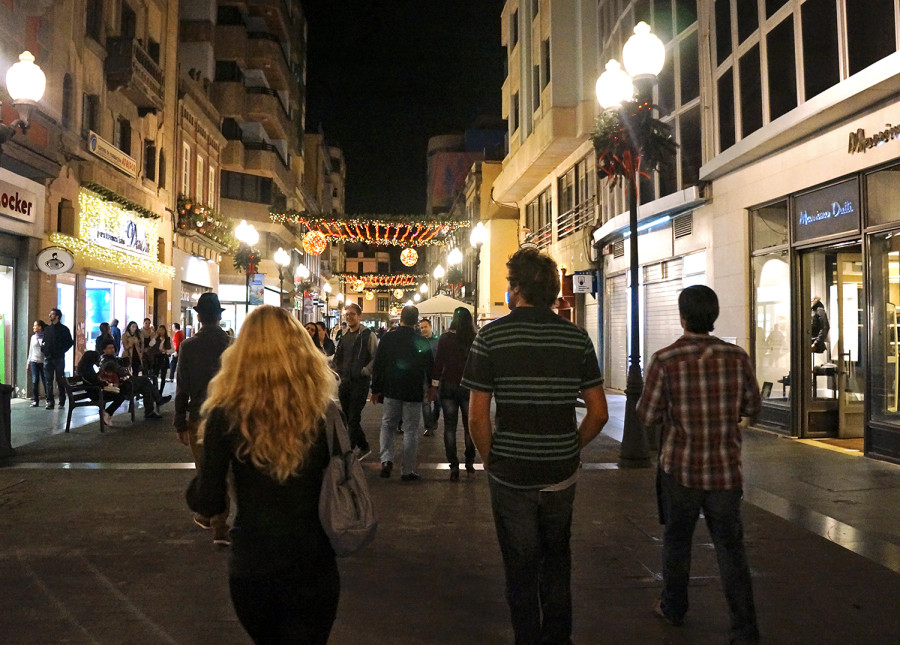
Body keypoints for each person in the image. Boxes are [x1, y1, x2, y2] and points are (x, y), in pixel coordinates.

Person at [461, 247, 608, 645]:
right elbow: (598, 413)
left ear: (517, 288)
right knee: (557, 559)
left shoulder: (491, 337)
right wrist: (570, 447)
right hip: (561, 471)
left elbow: (477, 417)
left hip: (511, 472)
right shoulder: (576, 338)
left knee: (520, 565)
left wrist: (493, 459)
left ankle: (527, 637)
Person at [186, 305, 341, 644]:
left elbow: (208, 500)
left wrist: (199, 489)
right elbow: (344, 466)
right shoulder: (323, 410)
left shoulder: (225, 415)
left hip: (254, 561)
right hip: (314, 558)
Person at [636, 285, 761, 645]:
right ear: (714, 316)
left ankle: (674, 607)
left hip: (681, 469)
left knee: (677, 541)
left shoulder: (665, 360)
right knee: (731, 548)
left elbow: (647, 414)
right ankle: (745, 626)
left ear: (683, 316)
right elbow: (753, 407)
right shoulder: (737, 357)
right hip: (725, 470)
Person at [174, 292, 232, 545]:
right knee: (227, 467)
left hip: (199, 414)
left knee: (207, 468)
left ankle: (213, 517)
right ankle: (218, 520)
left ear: (198, 317)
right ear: (219, 316)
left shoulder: (188, 346)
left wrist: (179, 421)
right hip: (228, 413)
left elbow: (182, 387)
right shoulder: (232, 344)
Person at [371, 305, 434, 481]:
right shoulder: (421, 340)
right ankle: (407, 470)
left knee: (388, 425)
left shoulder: (388, 338)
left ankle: (386, 460)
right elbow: (429, 366)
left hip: (391, 389)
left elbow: (378, 365)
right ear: (416, 320)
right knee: (411, 430)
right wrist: (431, 386)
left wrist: (376, 389)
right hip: (413, 390)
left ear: (401, 318)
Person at [429, 307, 477, 480]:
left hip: (448, 387)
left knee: (449, 427)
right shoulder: (473, 338)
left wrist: (433, 386)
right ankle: (470, 462)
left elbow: (438, 364)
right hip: (468, 388)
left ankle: (454, 466)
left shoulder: (445, 339)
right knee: (469, 427)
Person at [333, 302, 378, 459]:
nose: (349, 316)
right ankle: (364, 446)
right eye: (347, 314)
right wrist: (337, 370)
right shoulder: (344, 334)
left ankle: (349, 452)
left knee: (353, 418)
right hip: (345, 381)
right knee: (347, 417)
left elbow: (375, 357)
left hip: (360, 382)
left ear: (359, 316)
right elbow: (339, 356)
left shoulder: (367, 335)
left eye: (352, 314)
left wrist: (365, 370)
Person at [97, 339, 171, 419]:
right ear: (104, 350)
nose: (112, 350)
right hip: (121, 385)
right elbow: (119, 371)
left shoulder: (113, 358)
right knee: (145, 380)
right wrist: (123, 368)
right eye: (109, 348)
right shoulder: (106, 360)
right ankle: (157, 401)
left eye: (112, 348)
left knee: (146, 387)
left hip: (124, 382)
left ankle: (150, 410)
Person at [76, 350, 127, 427]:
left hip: (94, 391)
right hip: (95, 393)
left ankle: (107, 414)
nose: (98, 360)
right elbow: (94, 382)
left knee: (120, 393)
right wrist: (105, 384)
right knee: (121, 396)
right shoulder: (87, 370)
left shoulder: (85, 368)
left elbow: (94, 381)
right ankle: (108, 413)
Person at [42, 308, 74, 410]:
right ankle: (49, 401)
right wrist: (44, 350)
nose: (49, 315)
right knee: (48, 381)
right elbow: (44, 342)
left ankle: (61, 400)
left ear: (57, 316)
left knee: (60, 380)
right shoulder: (47, 329)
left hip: (59, 358)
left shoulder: (64, 329)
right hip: (48, 358)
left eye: (52, 314)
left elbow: (70, 342)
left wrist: (62, 350)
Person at [418, 318, 440, 437]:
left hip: (437, 374)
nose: (423, 330)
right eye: (421, 328)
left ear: (430, 326)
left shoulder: (437, 341)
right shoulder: (420, 342)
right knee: (425, 402)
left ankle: (433, 419)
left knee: (438, 401)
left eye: (425, 327)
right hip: (424, 375)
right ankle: (429, 426)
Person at [148, 324, 174, 393]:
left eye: (162, 329)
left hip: (164, 358)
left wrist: (166, 351)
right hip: (156, 358)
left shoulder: (168, 338)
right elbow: (150, 344)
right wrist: (155, 336)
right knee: (155, 375)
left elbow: (173, 350)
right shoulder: (156, 338)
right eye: (159, 329)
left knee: (163, 376)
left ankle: (161, 391)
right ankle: (155, 391)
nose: (161, 331)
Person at [27, 320, 48, 408]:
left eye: (35, 326)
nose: (33, 327)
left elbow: (46, 350)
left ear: (40, 327)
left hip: (43, 362)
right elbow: (30, 351)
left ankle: (48, 399)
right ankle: (35, 400)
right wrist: (28, 362)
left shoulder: (46, 337)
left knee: (45, 381)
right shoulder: (33, 337)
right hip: (34, 361)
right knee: (35, 381)